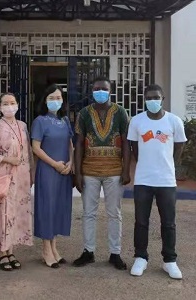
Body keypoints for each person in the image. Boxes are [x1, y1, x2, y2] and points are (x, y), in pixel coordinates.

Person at [127, 84, 187, 279]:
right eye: (149, 98)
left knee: (168, 222)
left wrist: (169, 165)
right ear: (145, 100)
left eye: (156, 97)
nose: (152, 101)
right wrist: (146, 163)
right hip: (143, 179)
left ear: (163, 99)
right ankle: (140, 258)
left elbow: (179, 146)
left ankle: (169, 261)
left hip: (166, 180)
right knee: (141, 221)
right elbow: (134, 147)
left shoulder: (174, 121)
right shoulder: (137, 121)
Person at [73, 76, 131, 270]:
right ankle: (88, 251)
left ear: (110, 91)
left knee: (114, 213)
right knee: (88, 213)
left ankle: (115, 253)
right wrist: (78, 173)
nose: (100, 92)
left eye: (104, 89)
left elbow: (126, 143)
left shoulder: (121, 112)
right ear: (91, 91)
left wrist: (126, 170)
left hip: (114, 172)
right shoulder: (84, 113)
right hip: (89, 171)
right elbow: (79, 144)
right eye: (96, 88)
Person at [0, 92, 34, 271]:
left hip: (21, 178)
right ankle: (1, 253)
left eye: (12, 102)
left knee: (16, 213)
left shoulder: (22, 126)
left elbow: (28, 151)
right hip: (3, 178)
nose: (9, 106)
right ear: (0, 107)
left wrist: (31, 173)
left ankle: (10, 250)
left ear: (17, 105)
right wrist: (7, 159)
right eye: (5, 103)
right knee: (2, 214)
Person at [31, 84, 74, 268]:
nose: (55, 101)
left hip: (64, 171)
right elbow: (36, 148)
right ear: (44, 100)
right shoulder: (39, 121)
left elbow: (70, 144)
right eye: (51, 98)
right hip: (48, 170)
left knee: (58, 208)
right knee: (47, 208)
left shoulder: (65, 120)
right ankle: (46, 250)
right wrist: (55, 164)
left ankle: (54, 248)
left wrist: (71, 162)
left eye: (58, 98)